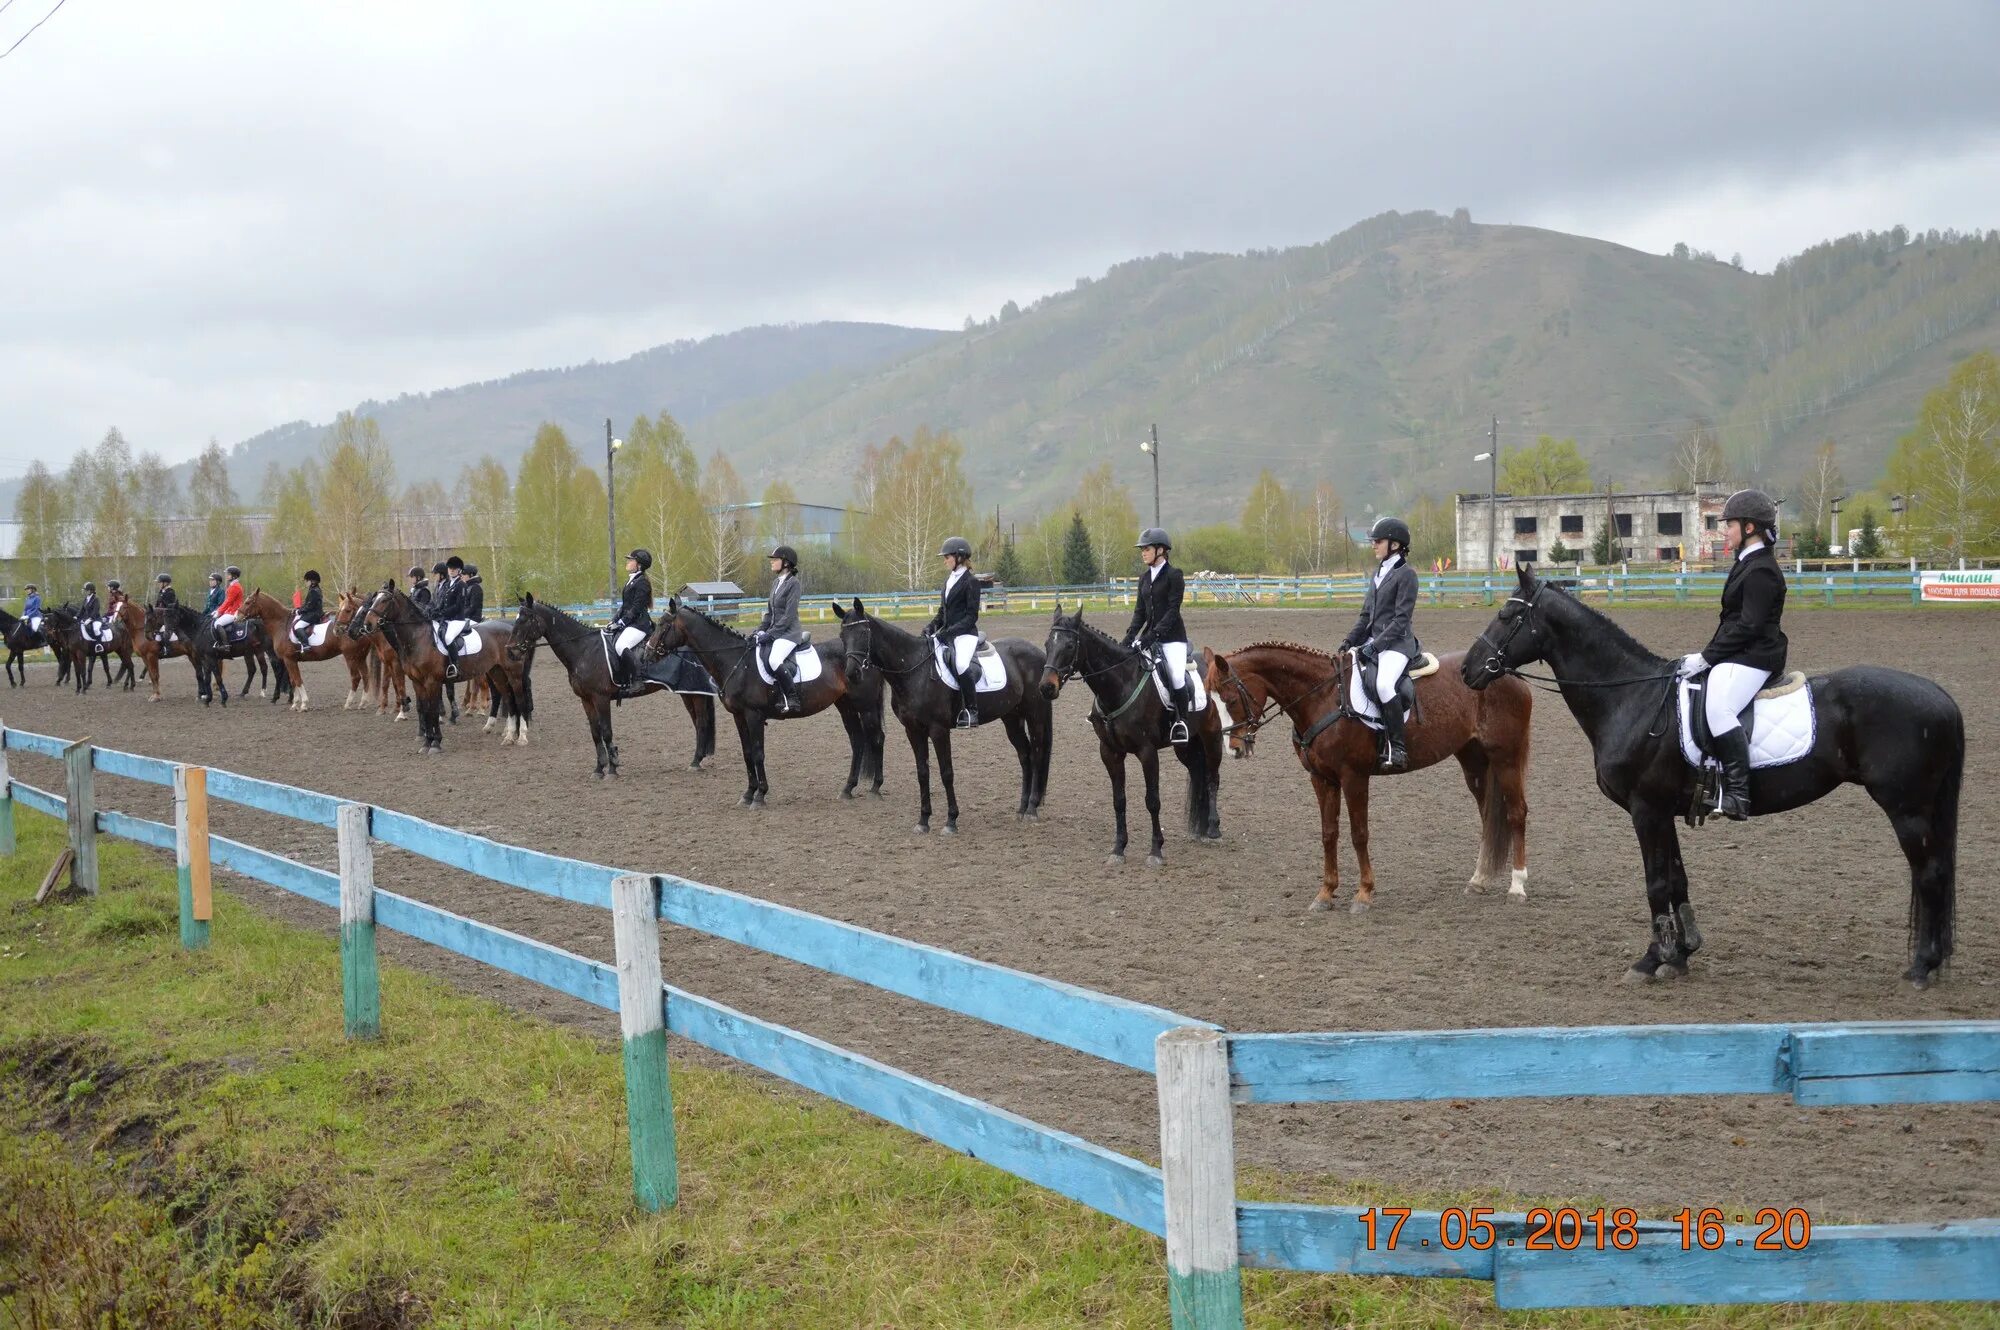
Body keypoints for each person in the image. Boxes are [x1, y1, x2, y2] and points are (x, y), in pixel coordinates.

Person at [1677, 488, 1788, 821]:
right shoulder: (1747, 563)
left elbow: (1748, 626)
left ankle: (1738, 793)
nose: (1725, 530)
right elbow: (1732, 621)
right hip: (1743, 652)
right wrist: (1706, 655)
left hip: (1757, 655)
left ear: (1749, 527)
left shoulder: (1762, 569)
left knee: (1719, 707)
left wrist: (1708, 657)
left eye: (1730, 524)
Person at [1339, 515, 1422, 771]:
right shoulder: (1378, 573)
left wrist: (1374, 646)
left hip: (1397, 644)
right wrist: (1349, 641)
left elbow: (1400, 621)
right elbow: (1366, 617)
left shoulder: (1407, 575)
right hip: (1375, 642)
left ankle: (1397, 748)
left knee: (1385, 684)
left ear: (1395, 545)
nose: (1374, 544)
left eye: (1378, 540)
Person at [1125, 527, 1196, 743]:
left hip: (1173, 639)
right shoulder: (1144, 579)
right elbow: (1139, 613)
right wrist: (1128, 638)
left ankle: (1180, 722)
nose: (1143, 553)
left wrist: (1153, 635)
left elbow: (1173, 611)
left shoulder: (1175, 575)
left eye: (1146, 549)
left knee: (1175, 675)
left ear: (1161, 550)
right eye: (1142, 549)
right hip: (1149, 637)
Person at [925, 535, 982, 728]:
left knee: (961, 665)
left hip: (965, 634)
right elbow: (943, 612)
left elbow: (971, 616)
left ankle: (972, 711)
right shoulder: (949, 580)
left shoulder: (971, 581)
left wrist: (949, 633)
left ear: (959, 557)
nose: (944, 560)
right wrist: (931, 627)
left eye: (947, 556)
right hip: (947, 632)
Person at [755, 545, 807, 712]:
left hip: (789, 634)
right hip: (776, 632)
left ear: (786, 563)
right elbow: (770, 613)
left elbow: (788, 616)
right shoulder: (776, 583)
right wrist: (760, 630)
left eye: (775, 559)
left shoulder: (794, 584)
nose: (772, 562)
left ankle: (793, 698)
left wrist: (770, 634)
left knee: (774, 659)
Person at [608, 549, 656, 696]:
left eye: (631, 560)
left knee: (621, 645)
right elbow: (625, 606)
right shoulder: (632, 580)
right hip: (631, 623)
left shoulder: (642, 583)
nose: (628, 562)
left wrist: (621, 623)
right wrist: (613, 621)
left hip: (639, 625)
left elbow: (636, 608)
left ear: (639, 565)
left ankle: (637, 680)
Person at [433, 556, 469, 673]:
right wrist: (435, 612)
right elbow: (443, 603)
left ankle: (455, 666)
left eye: (454, 568)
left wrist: (443, 613)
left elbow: (459, 606)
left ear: (459, 570)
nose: (451, 570)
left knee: (448, 638)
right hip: (447, 619)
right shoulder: (448, 585)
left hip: (457, 620)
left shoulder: (461, 585)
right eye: (450, 568)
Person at [294, 570, 324, 646]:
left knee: (297, 626)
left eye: (307, 580)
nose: (306, 582)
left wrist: (299, 612)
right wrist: (299, 609)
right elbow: (307, 604)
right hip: (314, 613)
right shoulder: (315, 589)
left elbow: (309, 606)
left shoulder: (313, 591)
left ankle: (305, 644)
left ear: (312, 581)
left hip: (313, 615)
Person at [213, 566, 246, 637]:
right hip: (230, 611)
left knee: (217, 624)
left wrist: (219, 612)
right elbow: (227, 601)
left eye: (229, 574)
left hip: (233, 612)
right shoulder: (233, 585)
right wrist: (218, 610)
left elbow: (228, 602)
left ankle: (225, 645)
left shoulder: (235, 587)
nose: (227, 576)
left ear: (234, 576)